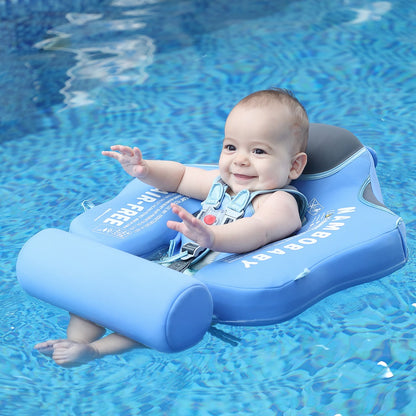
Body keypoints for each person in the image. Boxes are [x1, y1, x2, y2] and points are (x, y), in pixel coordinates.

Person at [35, 88, 309, 367]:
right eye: (230, 147)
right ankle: (77, 342)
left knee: (150, 316)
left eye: (259, 151)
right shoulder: (221, 185)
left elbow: (260, 228)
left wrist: (214, 236)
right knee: (95, 296)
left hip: (197, 283)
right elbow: (180, 176)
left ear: (294, 166)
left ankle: (96, 351)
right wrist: (145, 169)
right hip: (170, 265)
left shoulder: (280, 201)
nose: (240, 159)